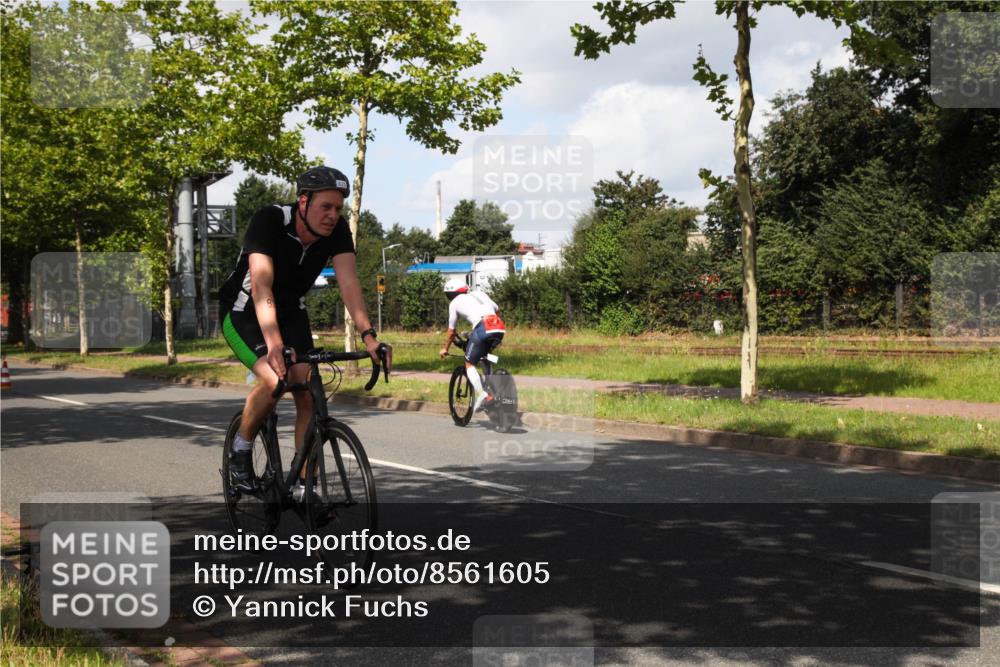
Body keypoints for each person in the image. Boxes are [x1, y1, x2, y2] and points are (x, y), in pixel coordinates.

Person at [219, 165, 390, 493]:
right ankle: (240, 451)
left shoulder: (337, 231)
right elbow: (261, 283)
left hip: (291, 312)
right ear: (303, 202)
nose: (332, 215)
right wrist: (274, 343)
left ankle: (303, 486)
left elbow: (349, 282)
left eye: (338, 208)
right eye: (325, 206)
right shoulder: (270, 220)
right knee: (275, 378)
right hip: (245, 312)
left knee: (310, 393)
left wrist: (370, 336)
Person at [438, 278, 504, 413]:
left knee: (469, 363)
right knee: (485, 356)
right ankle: (490, 388)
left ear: (451, 295)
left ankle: (481, 394)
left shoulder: (454, 303)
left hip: (482, 328)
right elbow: (497, 309)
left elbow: (451, 332)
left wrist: (445, 348)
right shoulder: (480, 294)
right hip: (498, 327)